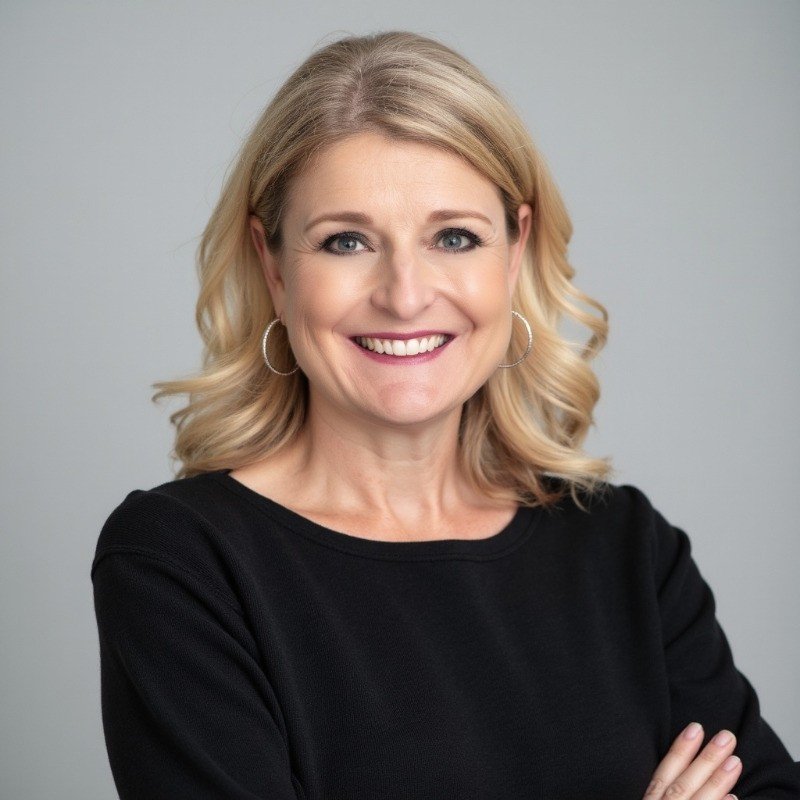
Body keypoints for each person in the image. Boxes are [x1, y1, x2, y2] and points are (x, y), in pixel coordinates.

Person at [91, 31, 799, 800]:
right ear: (273, 264)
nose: (404, 293)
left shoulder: (627, 549)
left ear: (515, 249)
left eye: (453, 237)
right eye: (347, 241)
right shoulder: (182, 564)